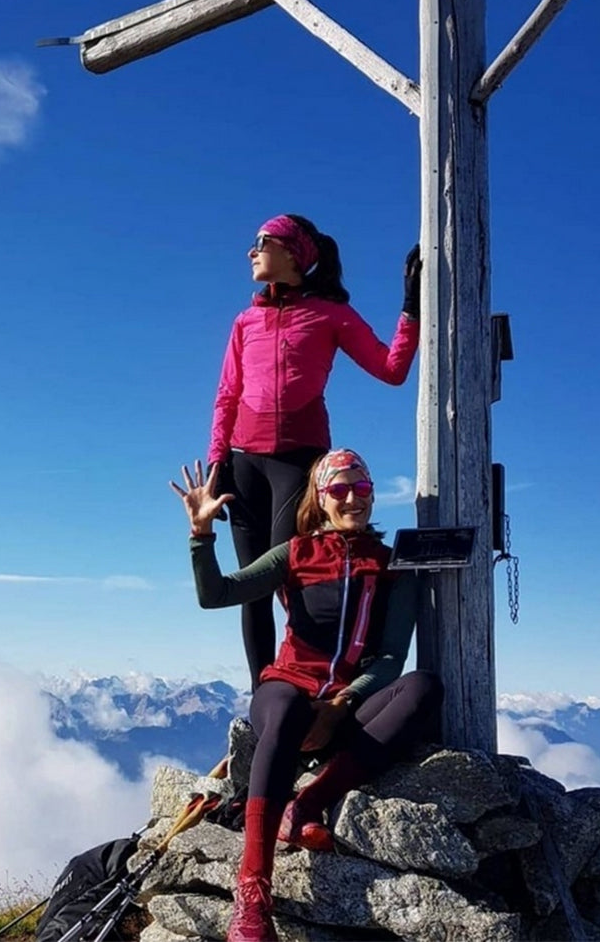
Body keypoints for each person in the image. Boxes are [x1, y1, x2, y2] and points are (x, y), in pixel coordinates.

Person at [170, 449, 442, 942]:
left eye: (362, 489)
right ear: (321, 499)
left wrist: (340, 707)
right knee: (289, 708)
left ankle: (305, 806)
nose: (353, 499)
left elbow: (390, 658)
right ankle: (252, 894)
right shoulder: (295, 553)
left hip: (347, 702)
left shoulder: (390, 565)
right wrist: (202, 535)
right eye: (340, 490)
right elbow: (216, 594)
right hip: (285, 690)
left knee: (424, 688)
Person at [207, 213, 420, 690]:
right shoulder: (246, 321)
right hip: (243, 463)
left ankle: (312, 688)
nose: (251, 251)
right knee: (251, 591)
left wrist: (411, 309)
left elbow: (391, 369)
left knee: (289, 582)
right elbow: (227, 394)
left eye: (262, 241)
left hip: (299, 464)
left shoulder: (329, 314)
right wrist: (218, 460)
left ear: (293, 254)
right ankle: (264, 701)